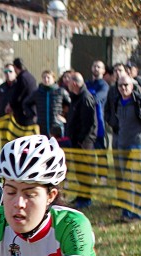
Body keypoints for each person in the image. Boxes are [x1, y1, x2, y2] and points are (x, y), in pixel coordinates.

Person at [107, 73, 141, 222]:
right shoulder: (117, 101)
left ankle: (137, 214)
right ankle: (126, 212)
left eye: (126, 85)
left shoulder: (138, 101)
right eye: (120, 85)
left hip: (137, 144)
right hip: (122, 144)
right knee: (124, 181)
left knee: (136, 180)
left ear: (132, 86)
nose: (123, 88)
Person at [67, 73, 98, 210]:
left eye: (69, 82)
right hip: (76, 141)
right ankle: (81, 195)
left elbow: (89, 122)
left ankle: (86, 198)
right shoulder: (76, 98)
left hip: (84, 142)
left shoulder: (85, 98)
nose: (67, 84)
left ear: (74, 83)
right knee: (79, 171)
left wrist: (81, 139)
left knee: (85, 170)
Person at [33, 70, 67, 138]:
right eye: (44, 77)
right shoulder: (38, 92)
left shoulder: (60, 91)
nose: (46, 79)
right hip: (42, 126)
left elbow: (70, 104)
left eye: (48, 77)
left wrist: (65, 117)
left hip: (56, 126)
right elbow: (26, 103)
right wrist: (33, 115)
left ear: (53, 79)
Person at [7, 58, 37, 128]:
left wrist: (11, 105)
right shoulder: (30, 77)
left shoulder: (22, 78)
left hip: (25, 113)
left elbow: (18, 95)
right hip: (32, 110)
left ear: (15, 67)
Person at [86, 60, 109, 149]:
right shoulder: (87, 84)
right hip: (87, 121)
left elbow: (95, 99)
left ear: (103, 70)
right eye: (94, 66)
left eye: (99, 67)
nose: (96, 68)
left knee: (100, 150)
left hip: (98, 123)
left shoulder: (104, 86)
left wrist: (88, 96)